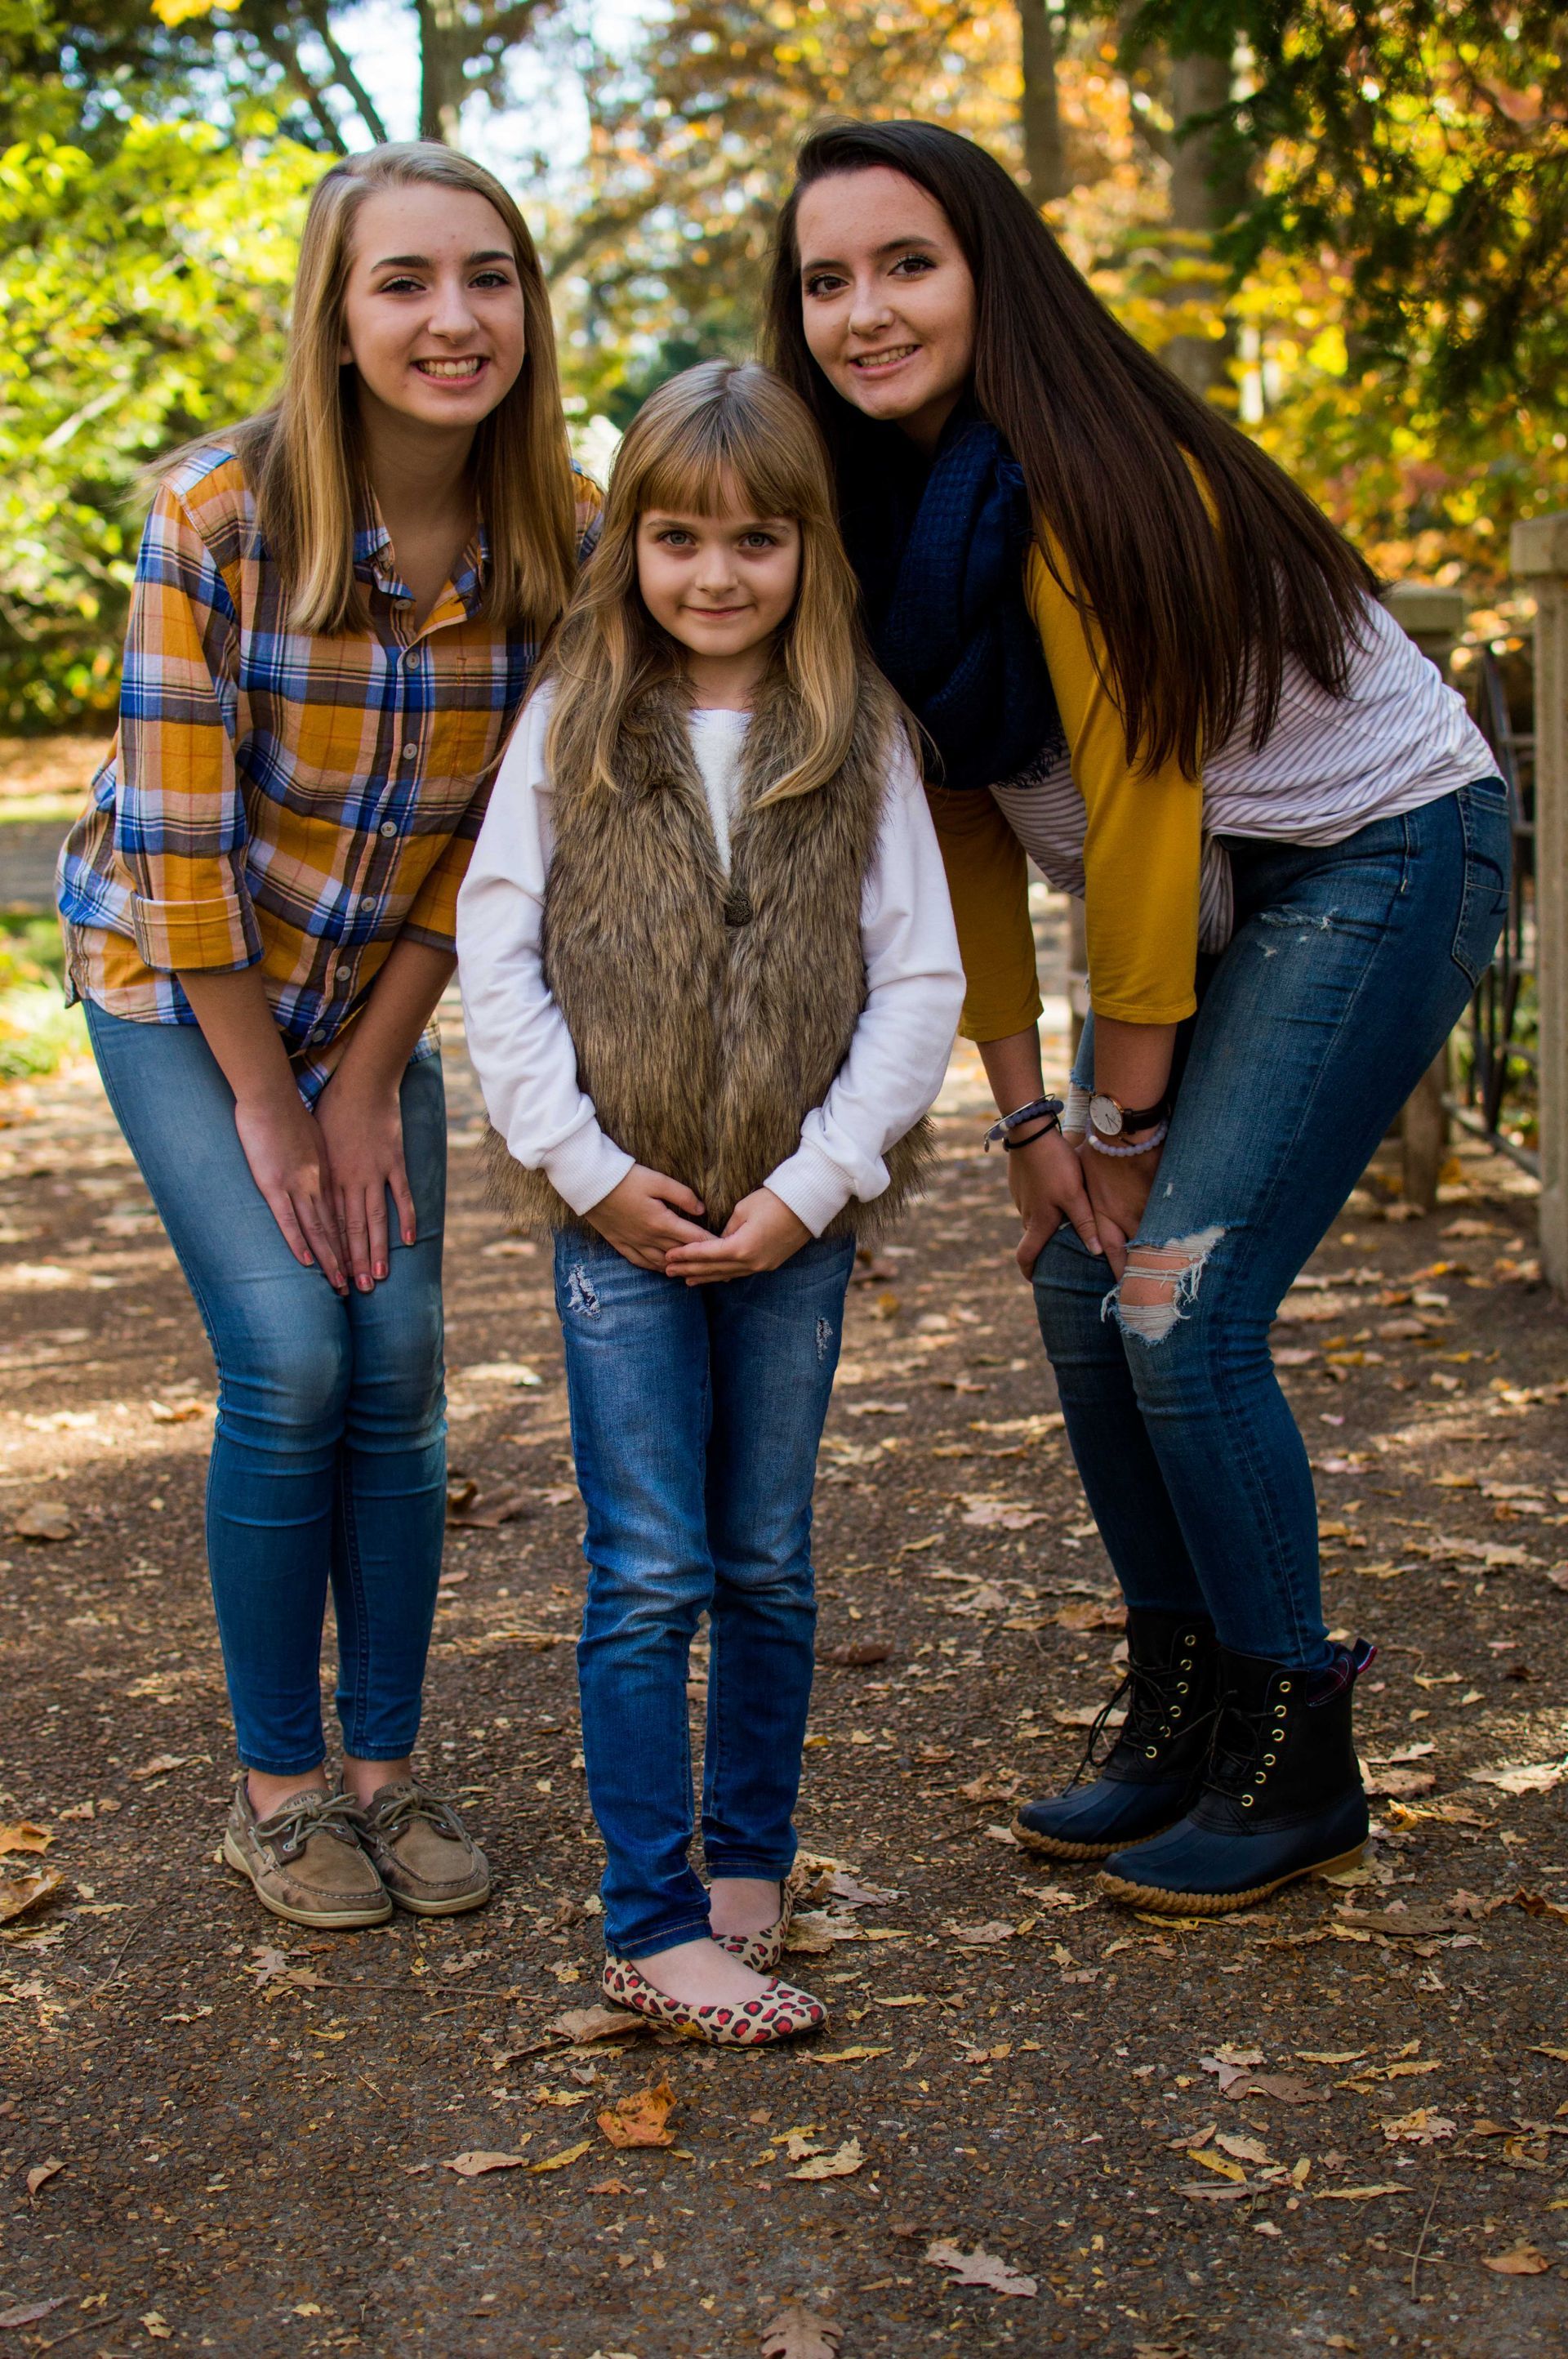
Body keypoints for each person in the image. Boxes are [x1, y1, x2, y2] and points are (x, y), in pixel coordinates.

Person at [764, 118, 1509, 1915]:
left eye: (907, 264)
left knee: (1179, 1305)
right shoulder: (872, 522)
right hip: (1228, 889)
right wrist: (1028, 1126)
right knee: (1073, 1277)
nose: (865, 311)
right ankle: (1184, 1703)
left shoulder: (1088, 480)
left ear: (991, 269)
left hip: (1379, 848)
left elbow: (1153, 809)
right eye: (826, 280)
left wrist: (1121, 1118)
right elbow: (954, 817)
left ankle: (1295, 1746)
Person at [56, 141, 600, 1930]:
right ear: (337, 315)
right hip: (176, 980)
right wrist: (274, 1115)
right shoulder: (214, 515)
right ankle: (278, 1790)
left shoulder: (570, 541)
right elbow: (178, 855)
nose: (455, 319)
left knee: (404, 1355)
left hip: (373, 996)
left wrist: (364, 1081)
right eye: (405, 282)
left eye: (489, 278)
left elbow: (496, 849)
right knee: (295, 1349)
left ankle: (388, 1766)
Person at [457, 359, 964, 2040]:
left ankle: (750, 1872)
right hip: (624, 1222)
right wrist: (590, 1176)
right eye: (678, 537)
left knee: (767, 1558)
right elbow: (499, 954)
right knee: (650, 1568)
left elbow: (920, 981)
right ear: (632, 544)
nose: (717, 575)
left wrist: (818, 1187)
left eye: (755, 540)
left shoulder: (861, 734)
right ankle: (650, 1919)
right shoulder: (581, 719)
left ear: (809, 547)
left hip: (790, 1228)